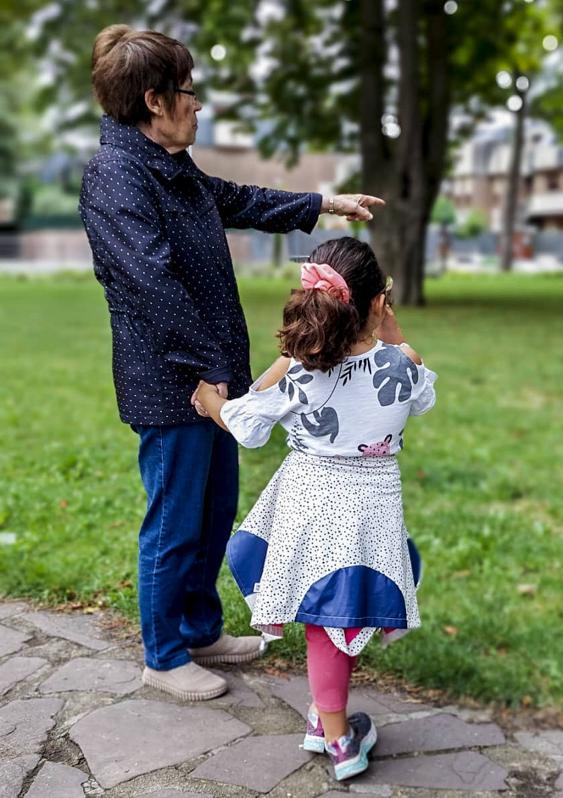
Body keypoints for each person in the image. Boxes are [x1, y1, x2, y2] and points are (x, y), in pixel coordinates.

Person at [79, 24, 384, 702]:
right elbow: (150, 284)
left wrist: (321, 203)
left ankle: (199, 629)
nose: (198, 105)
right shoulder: (115, 176)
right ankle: (163, 656)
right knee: (174, 520)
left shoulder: (166, 165)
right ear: (155, 100)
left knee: (214, 512)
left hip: (214, 374)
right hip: (176, 384)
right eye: (189, 92)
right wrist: (209, 374)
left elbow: (236, 200)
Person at [193, 237, 437, 780]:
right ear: (379, 303)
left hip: (310, 502)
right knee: (338, 613)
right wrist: (395, 337)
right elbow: (422, 392)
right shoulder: (400, 367)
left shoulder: (298, 372)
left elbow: (247, 425)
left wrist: (211, 401)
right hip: (370, 507)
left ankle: (333, 730)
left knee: (328, 616)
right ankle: (334, 729)